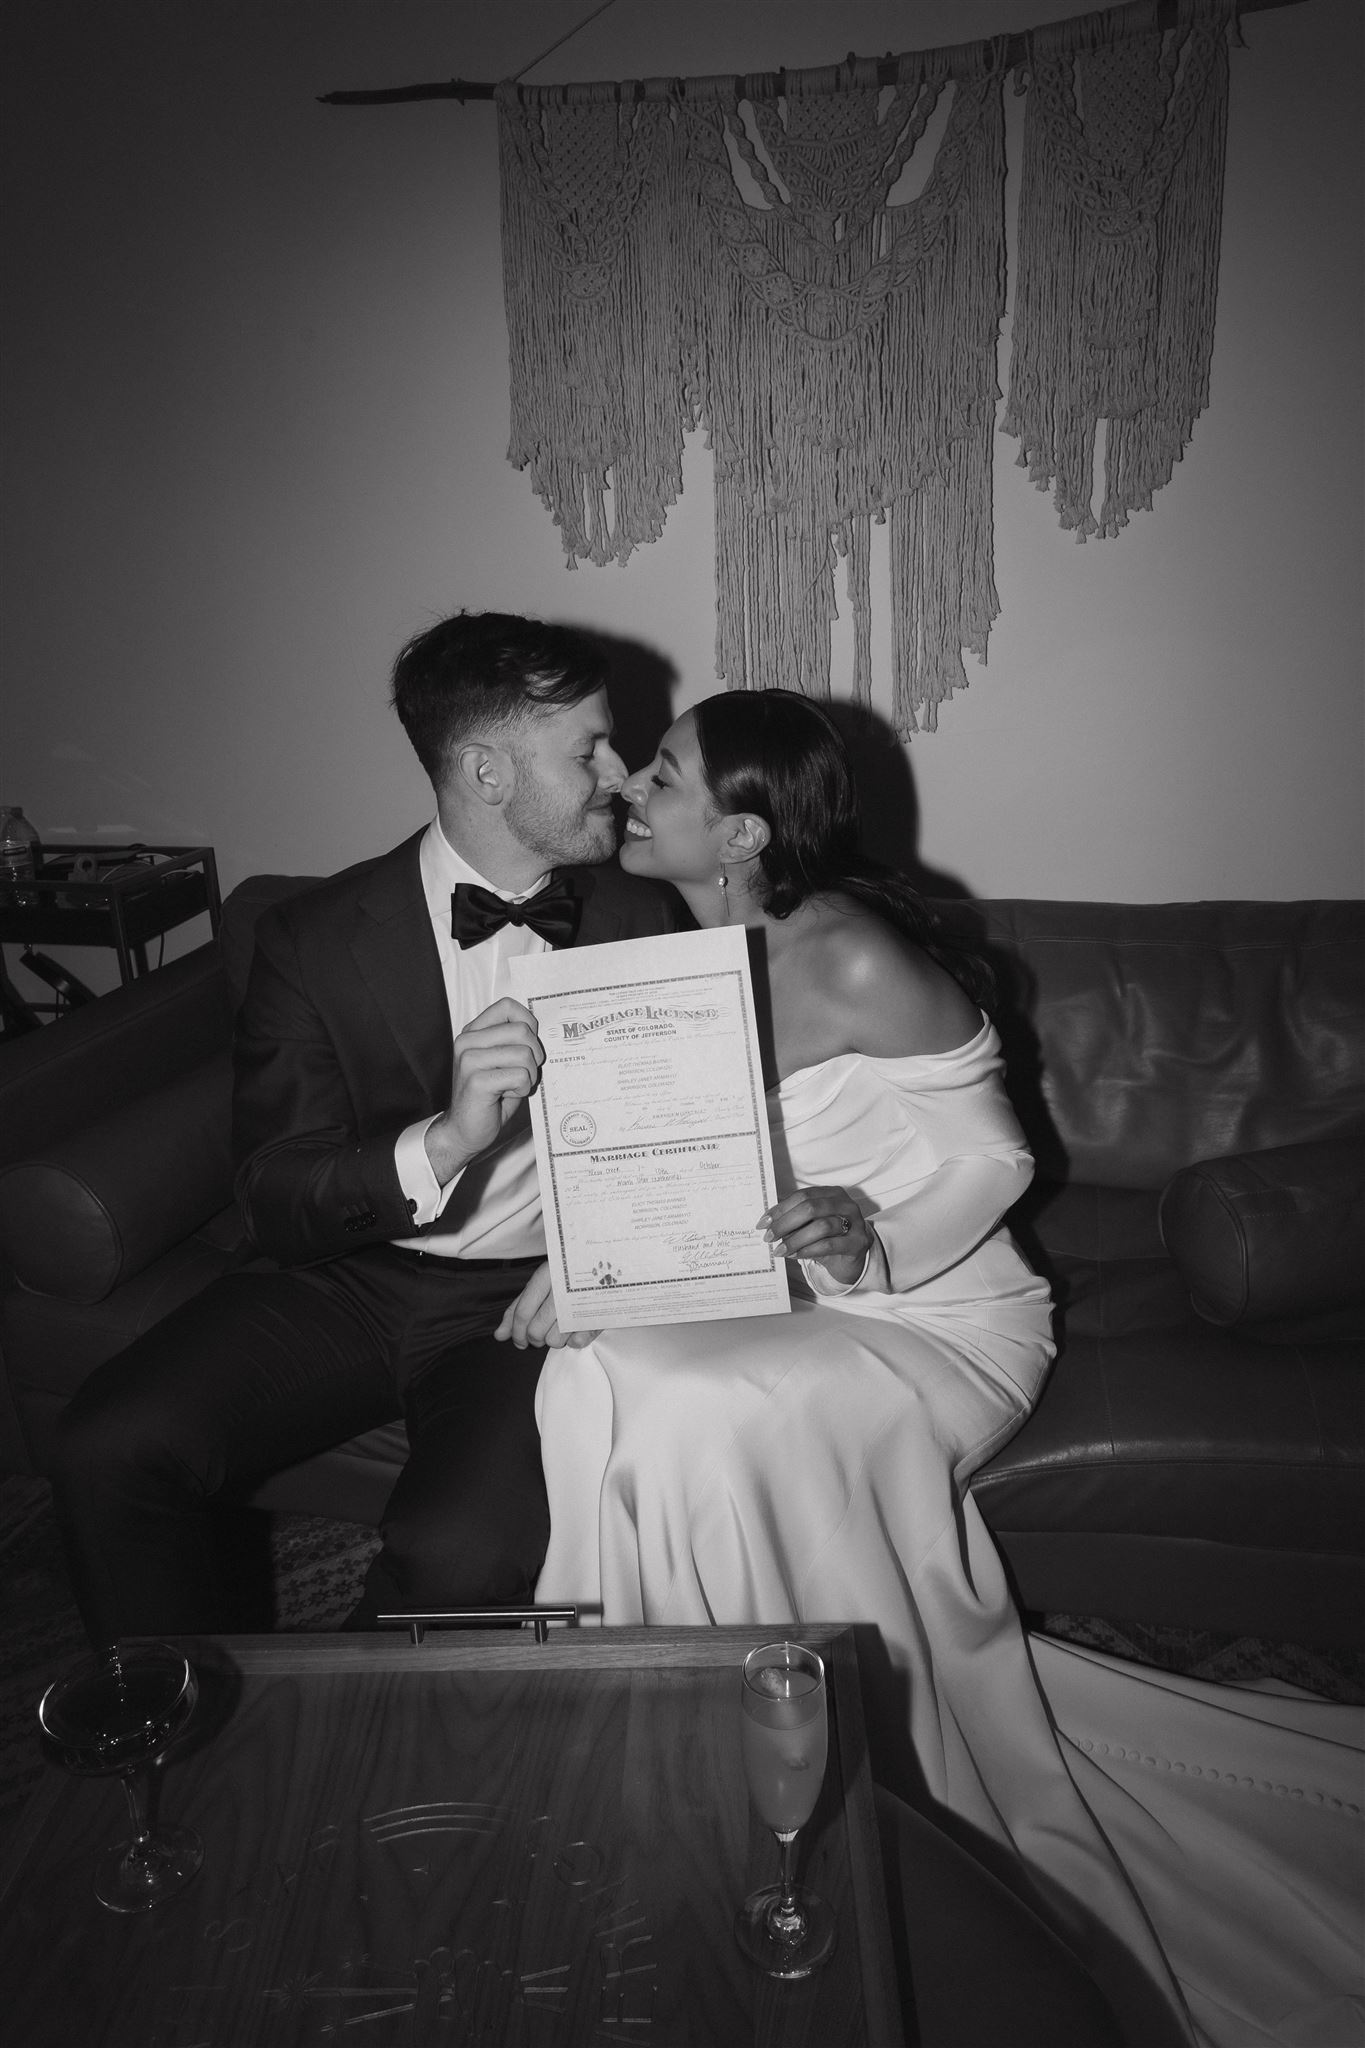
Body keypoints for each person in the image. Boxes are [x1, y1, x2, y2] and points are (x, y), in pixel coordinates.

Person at [516, 690, 1363, 2048]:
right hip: (787, 1300)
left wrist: (870, 1226)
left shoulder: (852, 958)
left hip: (940, 1313)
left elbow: (998, 1161)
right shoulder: (677, 940)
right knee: (592, 1378)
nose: (627, 788)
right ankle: (663, 1745)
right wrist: (576, 1262)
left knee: (695, 1415)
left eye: (658, 776)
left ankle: (827, 1787)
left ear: (738, 829)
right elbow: (664, 1158)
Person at [50, 609, 677, 1642]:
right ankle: (182, 1725)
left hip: (515, 1304)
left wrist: (603, 1265)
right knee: (107, 1443)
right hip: (347, 1275)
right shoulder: (312, 939)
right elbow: (273, 1192)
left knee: (462, 1548)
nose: (619, 769)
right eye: (589, 748)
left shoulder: (641, 914)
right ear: (485, 771)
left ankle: (357, 1737)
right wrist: (446, 1140)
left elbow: (680, 1147)